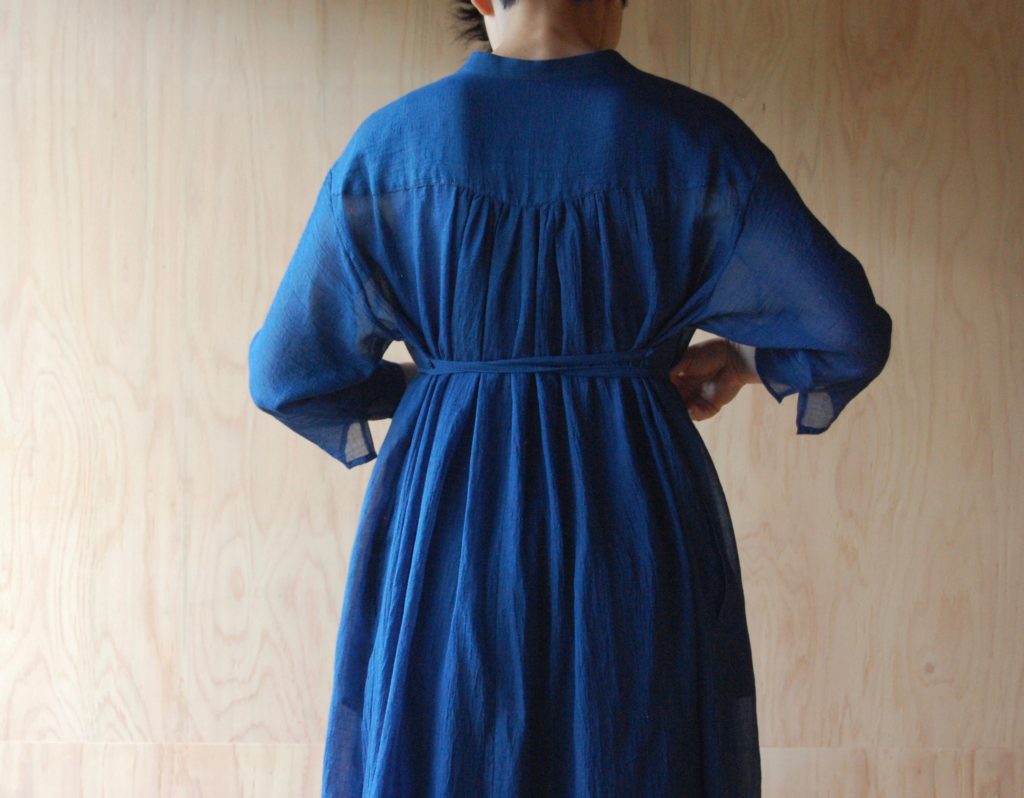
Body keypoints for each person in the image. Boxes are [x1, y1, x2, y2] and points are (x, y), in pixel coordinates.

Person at [247, 0, 893, 795]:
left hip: (452, 529)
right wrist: (740, 359)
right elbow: (846, 331)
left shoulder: (392, 149)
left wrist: (427, 385)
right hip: (633, 531)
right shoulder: (691, 142)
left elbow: (285, 372)